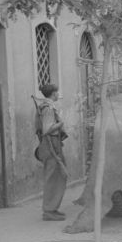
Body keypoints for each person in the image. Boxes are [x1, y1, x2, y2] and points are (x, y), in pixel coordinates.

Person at [38, 84, 67, 221]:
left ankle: (52, 208)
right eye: (57, 92)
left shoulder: (46, 106)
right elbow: (46, 129)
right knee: (53, 176)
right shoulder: (48, 108)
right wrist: (60, 124)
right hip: (51, 143)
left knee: (57, 176)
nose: (58, 94)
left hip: (52, 143)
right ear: (53, 93)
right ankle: (49, 211)